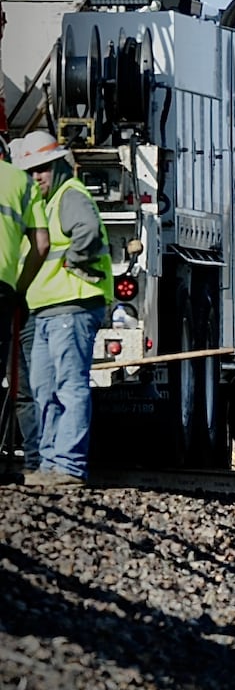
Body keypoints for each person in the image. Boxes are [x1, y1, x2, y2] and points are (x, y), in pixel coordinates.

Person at [13, 130, 111, 487]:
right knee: (43, 388)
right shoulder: (46, 204)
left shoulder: (69, 195)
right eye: (30, 171)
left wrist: (72, 260)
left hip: (71, 305)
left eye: (42, 169)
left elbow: (87, 233)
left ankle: (68, 466)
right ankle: (52, 464)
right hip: (46, 310)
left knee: (68, 387)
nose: (36, 177)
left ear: (56, 166)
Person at [0, 135, 35, 479]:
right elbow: (40, 243)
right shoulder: (18, 182)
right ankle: (34, 458)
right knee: (20, 382)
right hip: (7, 291)